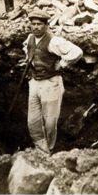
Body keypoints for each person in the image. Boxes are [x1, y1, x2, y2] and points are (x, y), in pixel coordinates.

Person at [22, 8, 83, 155]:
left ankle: (50, 149)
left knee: (50, 123)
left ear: (46, 25)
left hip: (51, 83)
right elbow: (27, 48)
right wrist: (28, 60)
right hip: (35, 83)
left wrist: (63, 63)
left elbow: (77, 52)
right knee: (33, 121)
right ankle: (40, 148)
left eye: (39, 24)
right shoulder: (30, 38)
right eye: (33, 24)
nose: (35, 27)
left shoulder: (54, 41)